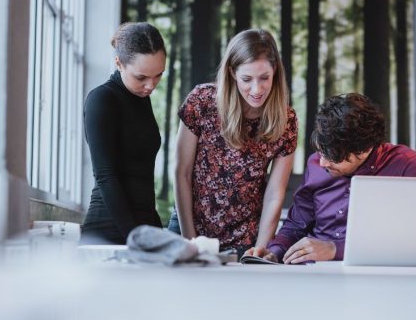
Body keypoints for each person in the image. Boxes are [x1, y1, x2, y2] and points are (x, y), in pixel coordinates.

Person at [246, 93, 416, 263]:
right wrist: (275, 252)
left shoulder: (406, 165)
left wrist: (336, 249)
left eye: (334, 157)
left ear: (365, 149)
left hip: (377, 272)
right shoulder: (316, 163)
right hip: (313, 273)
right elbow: (296, 225)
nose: (324, 163)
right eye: (320, 152)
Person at [169, 29, 298, 255]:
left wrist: (260, 247)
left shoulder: (286, 120)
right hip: (187, 229)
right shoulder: (202, 101)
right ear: (232, 72)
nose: (257, 90)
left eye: (264, 78)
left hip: (245, 240)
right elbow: (182, 173)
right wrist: (192, 242)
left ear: (275, 71)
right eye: (247, 79)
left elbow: (275, 194)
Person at [80, 22, 166, 245]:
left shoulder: (141, 100)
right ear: (118, 63)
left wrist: (155, 230)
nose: (150, 85)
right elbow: (106, 175)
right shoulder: (102, 99)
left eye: (158, 75)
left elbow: (142, 180)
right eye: (141, 77)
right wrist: (136, 238)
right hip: (107, 233)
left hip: (143, 229)